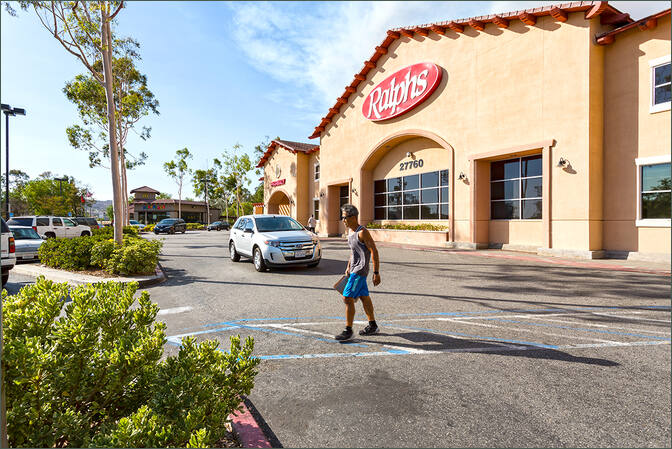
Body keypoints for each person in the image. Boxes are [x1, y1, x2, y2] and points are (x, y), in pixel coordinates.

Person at [335, 204, 381, 341]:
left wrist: (376, 272)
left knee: (347, 298)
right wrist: (348, 266)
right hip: (353, 269)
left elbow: (374, 251)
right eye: (342, 217)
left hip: (360, 271)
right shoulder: (350, 232)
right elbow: (353, 252)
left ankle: (348, 331)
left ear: (353, 217)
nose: (343, 220)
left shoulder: (362, 232)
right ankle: (373, 325)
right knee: (364, 297)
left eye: (344, 217)